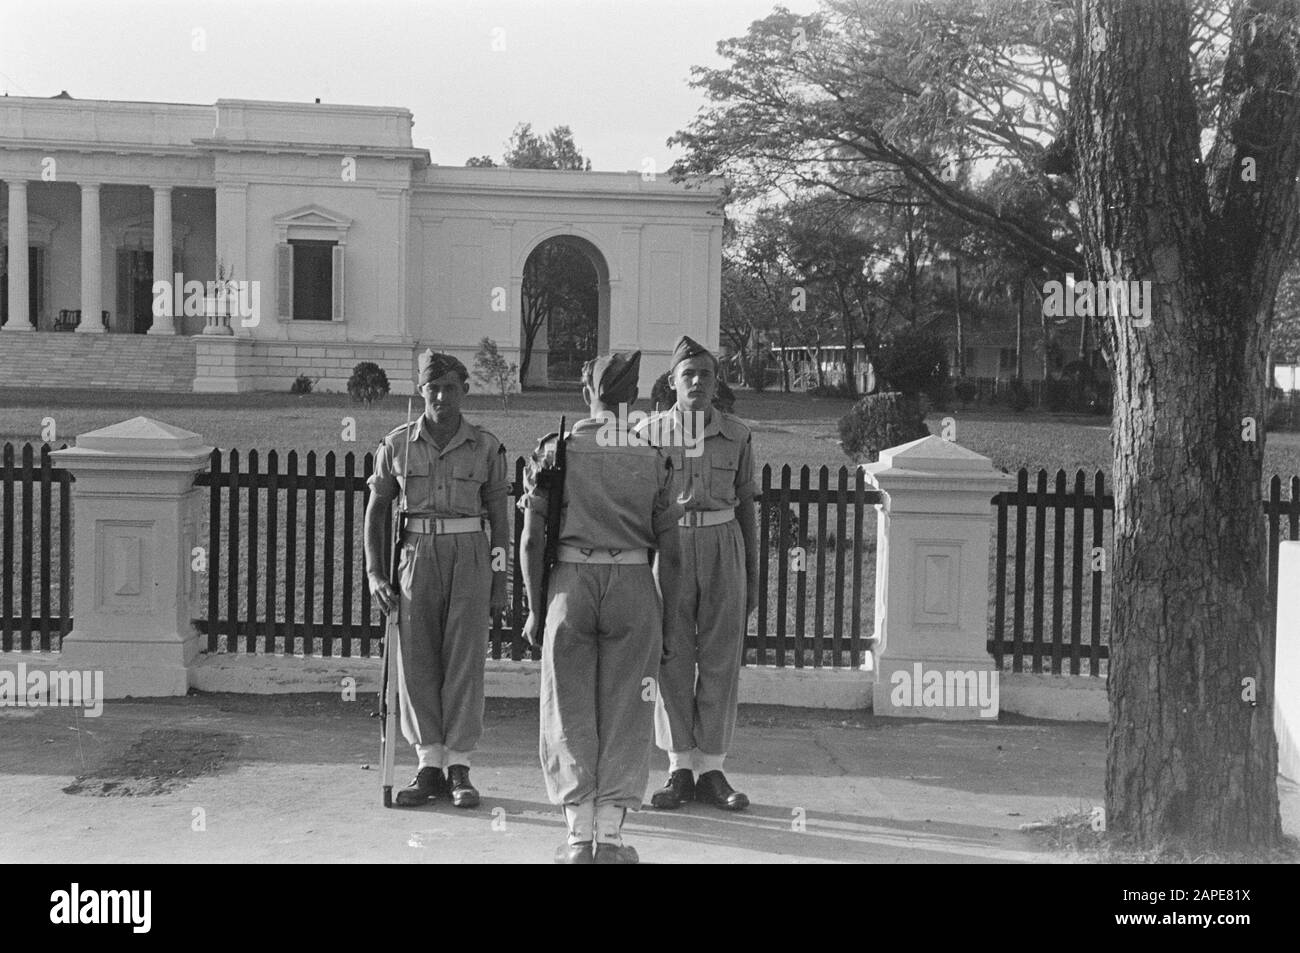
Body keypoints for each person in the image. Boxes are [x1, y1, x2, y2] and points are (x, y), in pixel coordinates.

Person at [519, 351, 683, 864]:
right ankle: (610, 838)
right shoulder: (652, 456)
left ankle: (576, 838)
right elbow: (671, 552)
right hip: (634, 582)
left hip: (571, 581)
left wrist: (535, 608)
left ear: (586, 393)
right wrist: (669, 624)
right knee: (627, 711)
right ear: (631, 398)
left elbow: (529, 540)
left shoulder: (555, 450)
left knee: (567, 708)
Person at [364, 350, 510, 808]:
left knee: (464, 661)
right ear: (421, 392)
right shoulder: (398, 444)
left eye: (450, 388)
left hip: (470, 553)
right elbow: (377, 510)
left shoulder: (486, 446)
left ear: (465, 391)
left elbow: (500, 519)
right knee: (417, 660)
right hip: (415, 556)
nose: (442, 397)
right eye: (433, 389)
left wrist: (501, 578)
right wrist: (374, 572)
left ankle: (460, 766)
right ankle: (429, 765)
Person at [640, 335, 758, 812]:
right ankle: (677, 769)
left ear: (715, 383)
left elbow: (747, 504)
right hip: (669, 548)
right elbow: (637, 505)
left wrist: (752, 571)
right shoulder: (649, 433)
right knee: (671, 655)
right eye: (688, 375)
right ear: (672, 383)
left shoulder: (738, 434)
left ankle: (712, 768)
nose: (697, 382)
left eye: (706, 375)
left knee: (719, 657)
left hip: (722, 542)